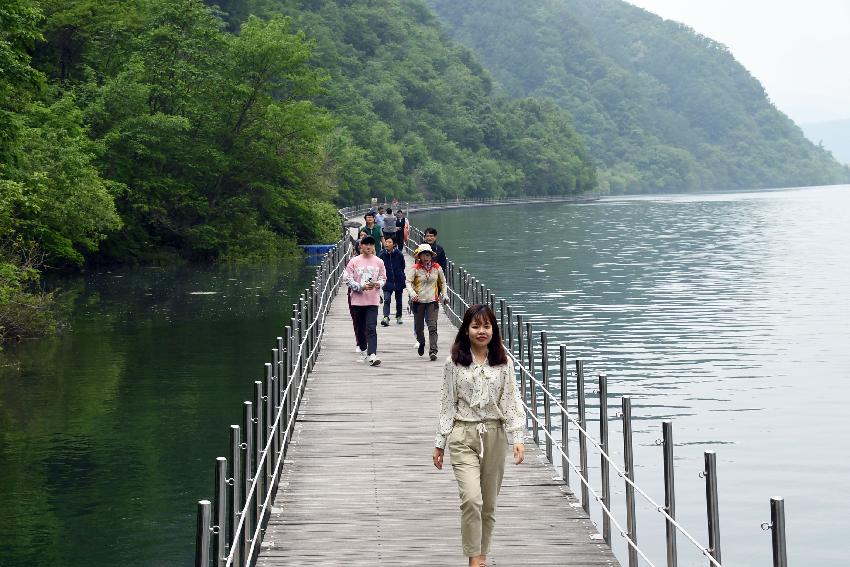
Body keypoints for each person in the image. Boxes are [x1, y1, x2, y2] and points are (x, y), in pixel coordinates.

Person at [432, 304, 525, 567]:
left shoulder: (503, 364)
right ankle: (475, 560)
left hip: (494, 435)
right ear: (466, 330)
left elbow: (511, 402)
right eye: (475, 326)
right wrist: (440, 442)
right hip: (463, 434)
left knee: (489, 505)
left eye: (486, 326)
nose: (481, 331)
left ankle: (482, 556)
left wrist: (517, 437)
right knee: (472, 499)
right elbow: (447, 403)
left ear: (493, 330)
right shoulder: (454, 363)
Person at [343, 235, 386, 366]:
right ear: (360, 246)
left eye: (371, 244)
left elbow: (383, 278)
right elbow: (346, 279)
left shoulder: (379, 261)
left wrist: (377, 284)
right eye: (366, 244)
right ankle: (363, 350)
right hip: (357, 300)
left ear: (374, 247)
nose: (368, 247)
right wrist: (360, 286)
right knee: (360, 328)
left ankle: (372, 354)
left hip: (372, 300)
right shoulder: (354, 261)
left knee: (371, 327)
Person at [406, 243, 447, 361]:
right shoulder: (415, 268)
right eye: (423, 254)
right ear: (419, 256)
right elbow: (408, 282)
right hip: (418, 301)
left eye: (428, 254)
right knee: (419, 328)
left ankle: (433, 351)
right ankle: (421, 342)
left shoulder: (437, 267)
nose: (426, 257)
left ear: (431, 255)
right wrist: (412, 294)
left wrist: (445, 295)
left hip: (432, 301)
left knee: (432, 326)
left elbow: (443, 283)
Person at [379, 236, 406, 326]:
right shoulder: (382, 254)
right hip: (387, 280)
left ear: (394, 244)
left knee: (399, 300)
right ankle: (386, 317)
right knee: (387, 299)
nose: (387, 244)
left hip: (398, 280)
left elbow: (402, 266)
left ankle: (399, 316)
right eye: (386, 242)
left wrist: (400, 274)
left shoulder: (399, 254)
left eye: (389, 242)